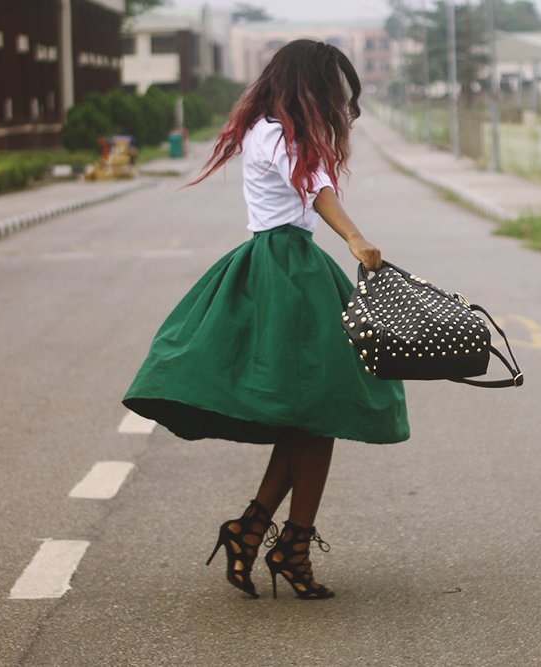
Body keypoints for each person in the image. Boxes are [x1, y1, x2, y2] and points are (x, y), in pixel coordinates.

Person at [122, 39, 409, 601]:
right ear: (307, 85)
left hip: (291, 268)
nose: (335, 101)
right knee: (319, 411)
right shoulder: (277, 135)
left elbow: (313, 183)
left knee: (311, 416)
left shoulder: (273, 131)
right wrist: (354, 237)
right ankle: (285, 544)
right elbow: (315, 187)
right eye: (330, 89)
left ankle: (257, 531)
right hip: (286, 273)